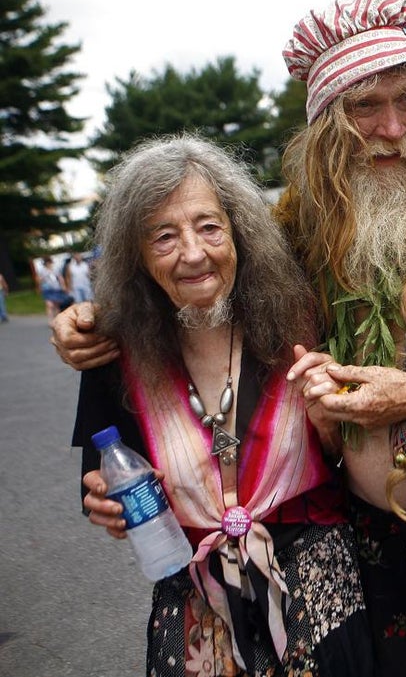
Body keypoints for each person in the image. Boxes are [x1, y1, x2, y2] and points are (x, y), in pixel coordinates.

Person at [55, 0, 406, 676]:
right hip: (369, 543)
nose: (392, 127)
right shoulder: (301, 216)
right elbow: (207, 283)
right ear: (328, 118)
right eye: (365, 106)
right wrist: (93, 319)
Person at [71, 134, 374, 676]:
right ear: (135, 257)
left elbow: (359, 457)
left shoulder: (303, 319)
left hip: (316, 576)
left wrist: (332, 428)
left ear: (240, 232)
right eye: (163, 236)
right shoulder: (113, 352)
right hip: (193, 594)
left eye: (209, 227)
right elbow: (98, 475)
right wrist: (102, 503)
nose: (193, 253)